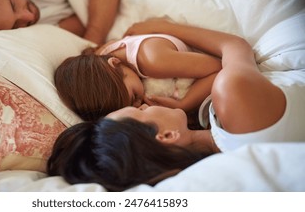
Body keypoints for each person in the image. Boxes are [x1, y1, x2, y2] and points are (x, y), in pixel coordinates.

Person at [47, 20, 305, 191]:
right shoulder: (233, 97)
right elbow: (233, 46)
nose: (146, 103)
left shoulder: (220, 139)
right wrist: (166, 26)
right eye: (140, 110)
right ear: (167, 135)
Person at [54, 19, 222, 121]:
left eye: (134, 96)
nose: (137, 104)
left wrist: (183, 105)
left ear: (116, 64)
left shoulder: (154, 62)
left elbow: (218, 68)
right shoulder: (100, 56)